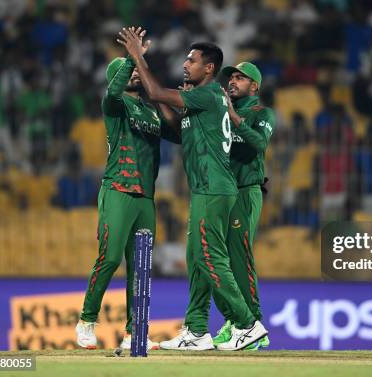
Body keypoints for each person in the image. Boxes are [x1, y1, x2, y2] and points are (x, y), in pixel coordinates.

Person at [117, 28, 268, 351]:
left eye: (192, 60)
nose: (186, 64)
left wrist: (138, 58)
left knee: (211, 257)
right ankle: (197, 330)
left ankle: (246, 323)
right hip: (206, 188)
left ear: (209, 68)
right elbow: (176, 129)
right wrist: (155, 98)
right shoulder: (203, 105)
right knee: (197, 258)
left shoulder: (210, 94)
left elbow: (157, 92)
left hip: (215, 188)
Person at [75, 28, 180, 351]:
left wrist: (157, 96)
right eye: (129, 71)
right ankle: (86, 321)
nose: (135, 73)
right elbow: (114, 88)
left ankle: (136, 332)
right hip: (118, 189)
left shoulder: (148, 109)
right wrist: (134, 57)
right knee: (109, 259)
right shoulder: (114, 105)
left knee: (140, 267)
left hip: (145, 197)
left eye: (135, 71)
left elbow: (176, 133)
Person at [209, 62, 275, 350]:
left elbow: (259, 144)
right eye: (231, 77)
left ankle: (254, 324)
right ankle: (236, 321)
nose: (233, 81)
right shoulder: (221, 112)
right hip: (221, 194)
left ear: (255, 86)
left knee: (239, 258)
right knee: (217, 261)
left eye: (240, 78)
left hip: (246, 192)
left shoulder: (261, 113)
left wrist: (233, 116)